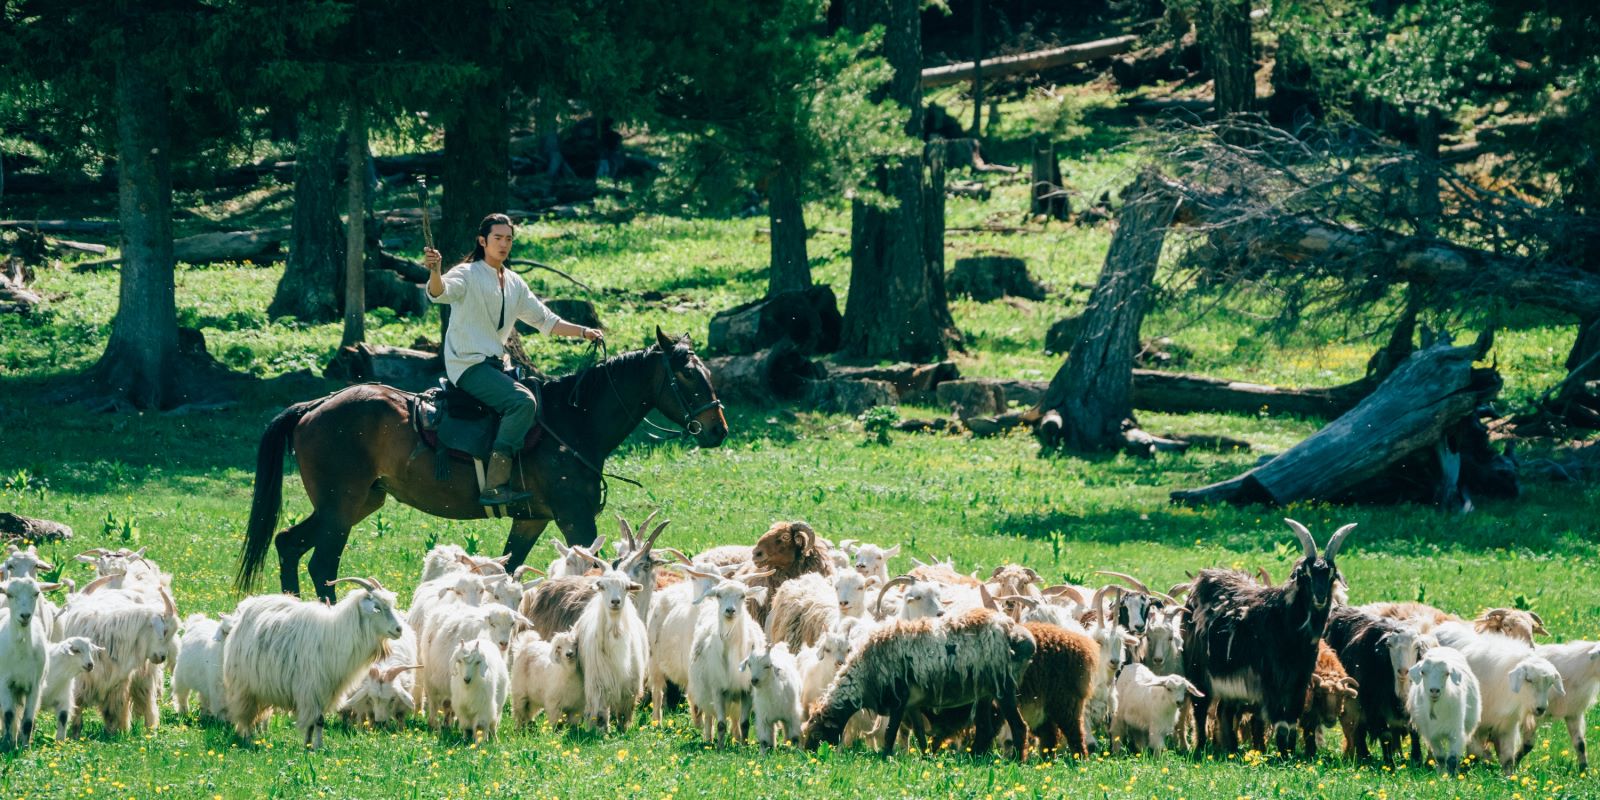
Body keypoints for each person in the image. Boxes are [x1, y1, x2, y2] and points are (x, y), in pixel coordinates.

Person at [424, 213, 602, 505]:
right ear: (483, 241)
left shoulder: (515, 282)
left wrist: (584, 332)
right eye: (498, 238)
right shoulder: (466, 274)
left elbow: (546, 320)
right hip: (467, 366)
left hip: (495, 366)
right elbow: (439, 292)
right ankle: (494, 485)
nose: (504, 244)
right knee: (522, 402)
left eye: (509, 238)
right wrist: (435, 270)